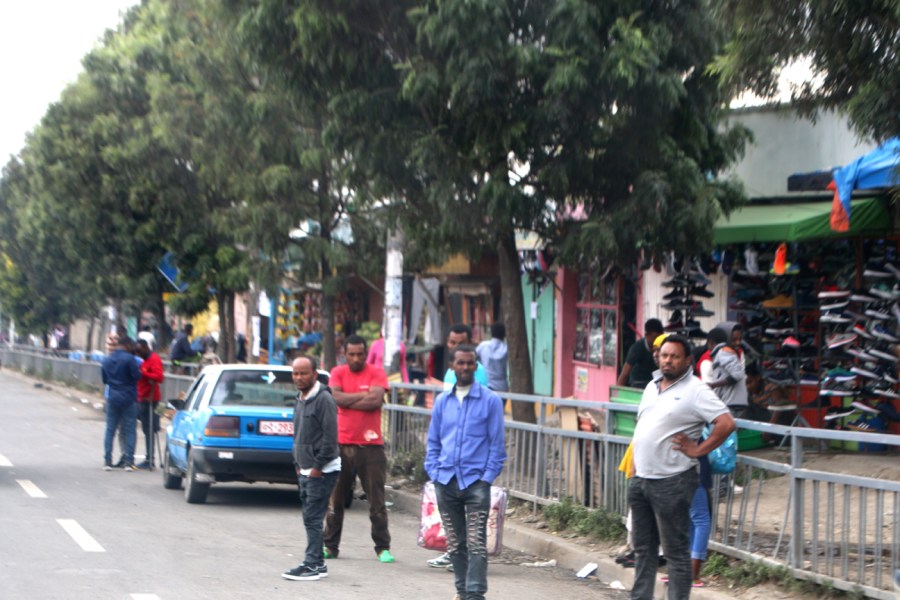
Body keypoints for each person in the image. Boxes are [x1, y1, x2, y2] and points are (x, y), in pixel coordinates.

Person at [628, 335, 735, 600]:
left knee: (675, 552)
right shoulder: (652, 386)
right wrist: (635, 466)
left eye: (675, 356)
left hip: (672, 481)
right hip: (641, 479)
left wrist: (699, 450)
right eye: (664, 355)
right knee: (644, 550)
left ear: (688, 360)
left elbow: (726, 423)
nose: (668, 360)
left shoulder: (696, 390)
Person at [425, 344, 507, 600]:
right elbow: (433, 442)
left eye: (470, 363)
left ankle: (475, 594)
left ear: (476, 366)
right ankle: (462, 591)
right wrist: (434, 472)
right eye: (460, 363)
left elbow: (497, 446)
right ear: (452, 366)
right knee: (455, 543)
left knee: (476, 543)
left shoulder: (491, 401)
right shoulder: (442, 401)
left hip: (475, 484)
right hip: (446, 481)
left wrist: (486, 478)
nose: (466, 367)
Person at [323, 335, 395, 563]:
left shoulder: (377, 372)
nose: (356, 358)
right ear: (345, 354)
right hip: (341, 445)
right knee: (335, 501)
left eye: (360, 354)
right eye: (351, 354)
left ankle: (382, 548)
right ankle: (330, 546)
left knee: (377, 501)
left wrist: (348, 400)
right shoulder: (338, 372)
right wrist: (363, 395)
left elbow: (375, 401)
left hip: (371, 447)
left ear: (366, 354)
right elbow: (334, 398)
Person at [428, 323, 489, 570]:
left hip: (472, 461)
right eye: (452, 343)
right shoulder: (449, 373)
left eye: (461, 342)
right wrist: (434, 467)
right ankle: (453, 555)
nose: (455, 347)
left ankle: (470, 565)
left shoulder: (477, 371)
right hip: (448, 460)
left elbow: (478, 414)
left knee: (471, 520)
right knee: (452, 517)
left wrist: (487, 472)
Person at [283, 355, 341, 582]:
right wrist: (298, 464)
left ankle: (313, 564)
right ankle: (317, 563)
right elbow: (298, 434)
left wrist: (317, 467)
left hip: (322, 470)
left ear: (314, 374)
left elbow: (330, 439)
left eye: (303, 373)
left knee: (313, 518)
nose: (298, 377)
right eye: (295, 373)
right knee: (310, 518)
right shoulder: (300, 398)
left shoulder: (324, 399)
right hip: (305, 469)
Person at [101, 336, 141, 471]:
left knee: (110, 429)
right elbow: (137, 376)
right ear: (128, 345)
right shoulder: (130, 359)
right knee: (130, 429)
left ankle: (107, 461)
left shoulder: (107, 360)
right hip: (129, 398)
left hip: (112, 397)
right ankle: (129, 461)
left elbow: (105, 380)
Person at [707, 322, 749, 418]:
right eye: (734, 340)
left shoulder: (724, 352)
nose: (738, 343)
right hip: (733, 403)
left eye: (739, 339)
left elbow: (738, 375)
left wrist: (713, 385)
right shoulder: (729, 353)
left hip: (731, 405)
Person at [135, 339, 164, 470]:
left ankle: (150, 458)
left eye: (139, 350)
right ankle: (149, 457)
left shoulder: (154, 359)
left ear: (145, 347)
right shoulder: (145, 360)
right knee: (146, 429)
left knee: (150, 429)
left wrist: (144, 373)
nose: (139, 354)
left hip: (152, 399)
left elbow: (159, 377)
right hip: (143, 398)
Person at [617, 319, 665, 389]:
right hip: (638, 383)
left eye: (659, 339)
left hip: (655, 382)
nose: (657, 342)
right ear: (646, 335)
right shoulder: (637, 348)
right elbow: (624, 374)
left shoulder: (664, 347)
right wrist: (618, 392)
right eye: (654, 338)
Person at [476, 322, 509, 392]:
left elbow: (475, 357)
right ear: (505, 334)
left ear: (491, 332)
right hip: (501, 386)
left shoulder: (483, 345)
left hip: (485, 384)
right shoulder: (506, 348)